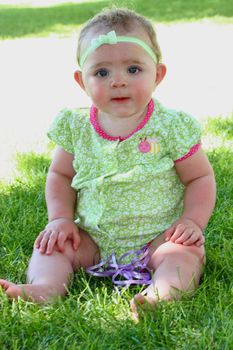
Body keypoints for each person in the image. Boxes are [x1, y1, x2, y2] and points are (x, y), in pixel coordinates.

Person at [0, 8, 215, 319]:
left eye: (133, 69)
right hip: (91, 240)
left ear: (158, 74)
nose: (118, 82)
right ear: (81, 80)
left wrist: (192, 221)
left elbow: (200, 178)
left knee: (184, 253)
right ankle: (45, 287)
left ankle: (162, 293)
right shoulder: (75, 127)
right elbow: (60, 175)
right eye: (102, 72)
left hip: (158, 238)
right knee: (53, 246)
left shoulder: (171, 126)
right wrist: (59, 219)